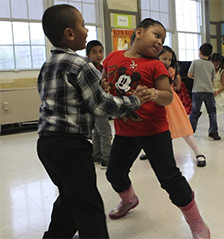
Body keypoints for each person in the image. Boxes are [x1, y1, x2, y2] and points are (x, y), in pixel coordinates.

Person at [37, 5, 152, 239]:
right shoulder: (81, 64)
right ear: (70, 34)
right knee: (89, 205)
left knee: (70, 197)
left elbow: (63, 99)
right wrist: (135, 100)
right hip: (71, 147)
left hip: (47, 145)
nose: (87, 30)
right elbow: (101, 106)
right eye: (82, 25)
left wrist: (97, 90)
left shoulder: (47, 65)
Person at [103, 18, 210, 239]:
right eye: (156, 35)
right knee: (114, 173)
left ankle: (196, 222)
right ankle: (129, 199)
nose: (160, 42)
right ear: (139, 32)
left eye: (163, 39)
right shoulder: (113, 57)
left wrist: (153, 94)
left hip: (154, 131)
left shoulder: (156, 65)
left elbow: (167, 96)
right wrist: (102, 86)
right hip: (125, 130)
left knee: (170, 178)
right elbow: (105, 82)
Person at [140, 46, 206, 167]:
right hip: (155, 102)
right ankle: (149, 151)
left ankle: (198, 152)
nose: (167, 62)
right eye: (164, 58)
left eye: (169, 59)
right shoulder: (152, 67)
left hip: (170, 102)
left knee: (183, 128)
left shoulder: (168, 70)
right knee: (152, 130)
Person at [86, 40, 113, 169]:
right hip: (97, 105)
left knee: (97, 131)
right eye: (94, 52)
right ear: (88, 55)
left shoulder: (101, 67)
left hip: (97, 104)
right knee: (106, 132)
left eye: (101, 51)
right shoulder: (91, 69)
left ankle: (96, 155)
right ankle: (107, 158)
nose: (98, 55)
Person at [188, 42, 221, 140]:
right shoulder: (211, 65)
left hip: (197, 91)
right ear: (210, 54)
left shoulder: (195, 62)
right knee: (212, 112)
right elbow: (212, 79)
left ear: (200, 52)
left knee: (195, 111)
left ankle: (190, 130)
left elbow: (189, 75)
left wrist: (197, 77)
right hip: (209, 91)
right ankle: (213, 131)